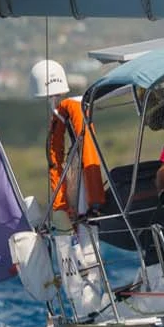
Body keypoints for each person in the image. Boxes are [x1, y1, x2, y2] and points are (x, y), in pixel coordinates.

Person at [35, 60, 104, 225]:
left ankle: (87, 212)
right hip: (81, 199)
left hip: (85, 202)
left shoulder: (70, 108)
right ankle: (83, 214)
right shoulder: (68, 108)